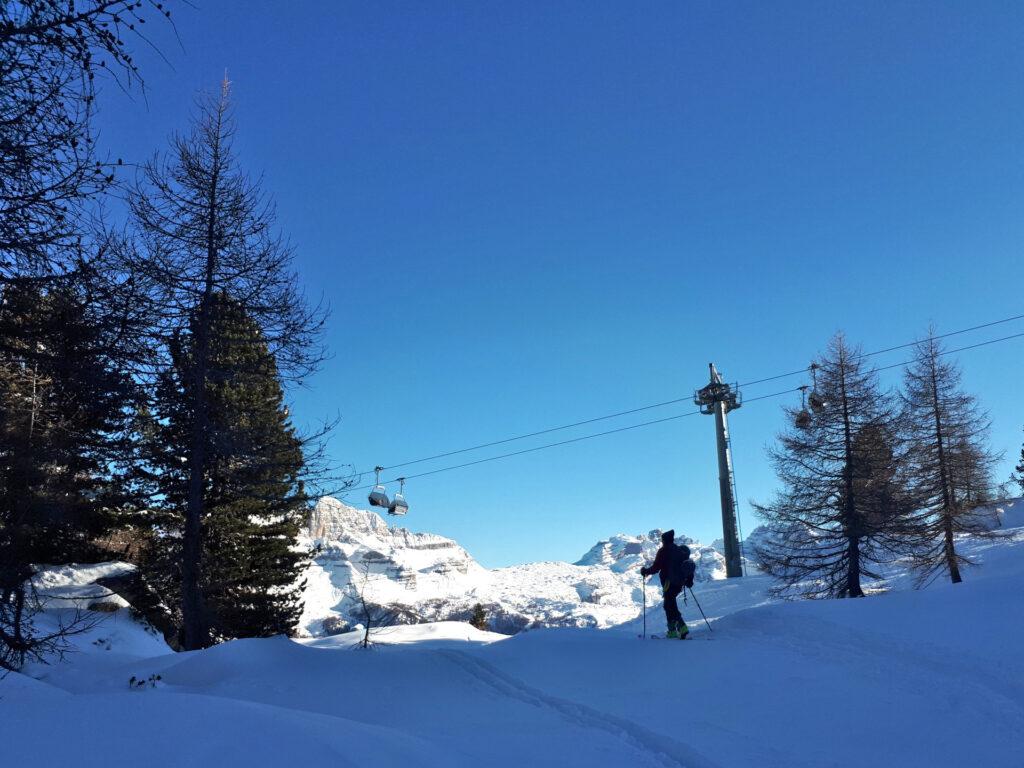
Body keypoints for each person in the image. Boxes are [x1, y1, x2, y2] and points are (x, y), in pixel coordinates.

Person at [640, 530, 695, 639]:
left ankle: (681, 627)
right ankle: (672, 631)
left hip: (668, 583)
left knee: (669, 605)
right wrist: (689, 580)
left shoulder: (663, 551)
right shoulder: (680, 550)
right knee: (669, 604)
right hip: (679, 583)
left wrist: (645, 571)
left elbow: (656, 568)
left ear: (664, 540)